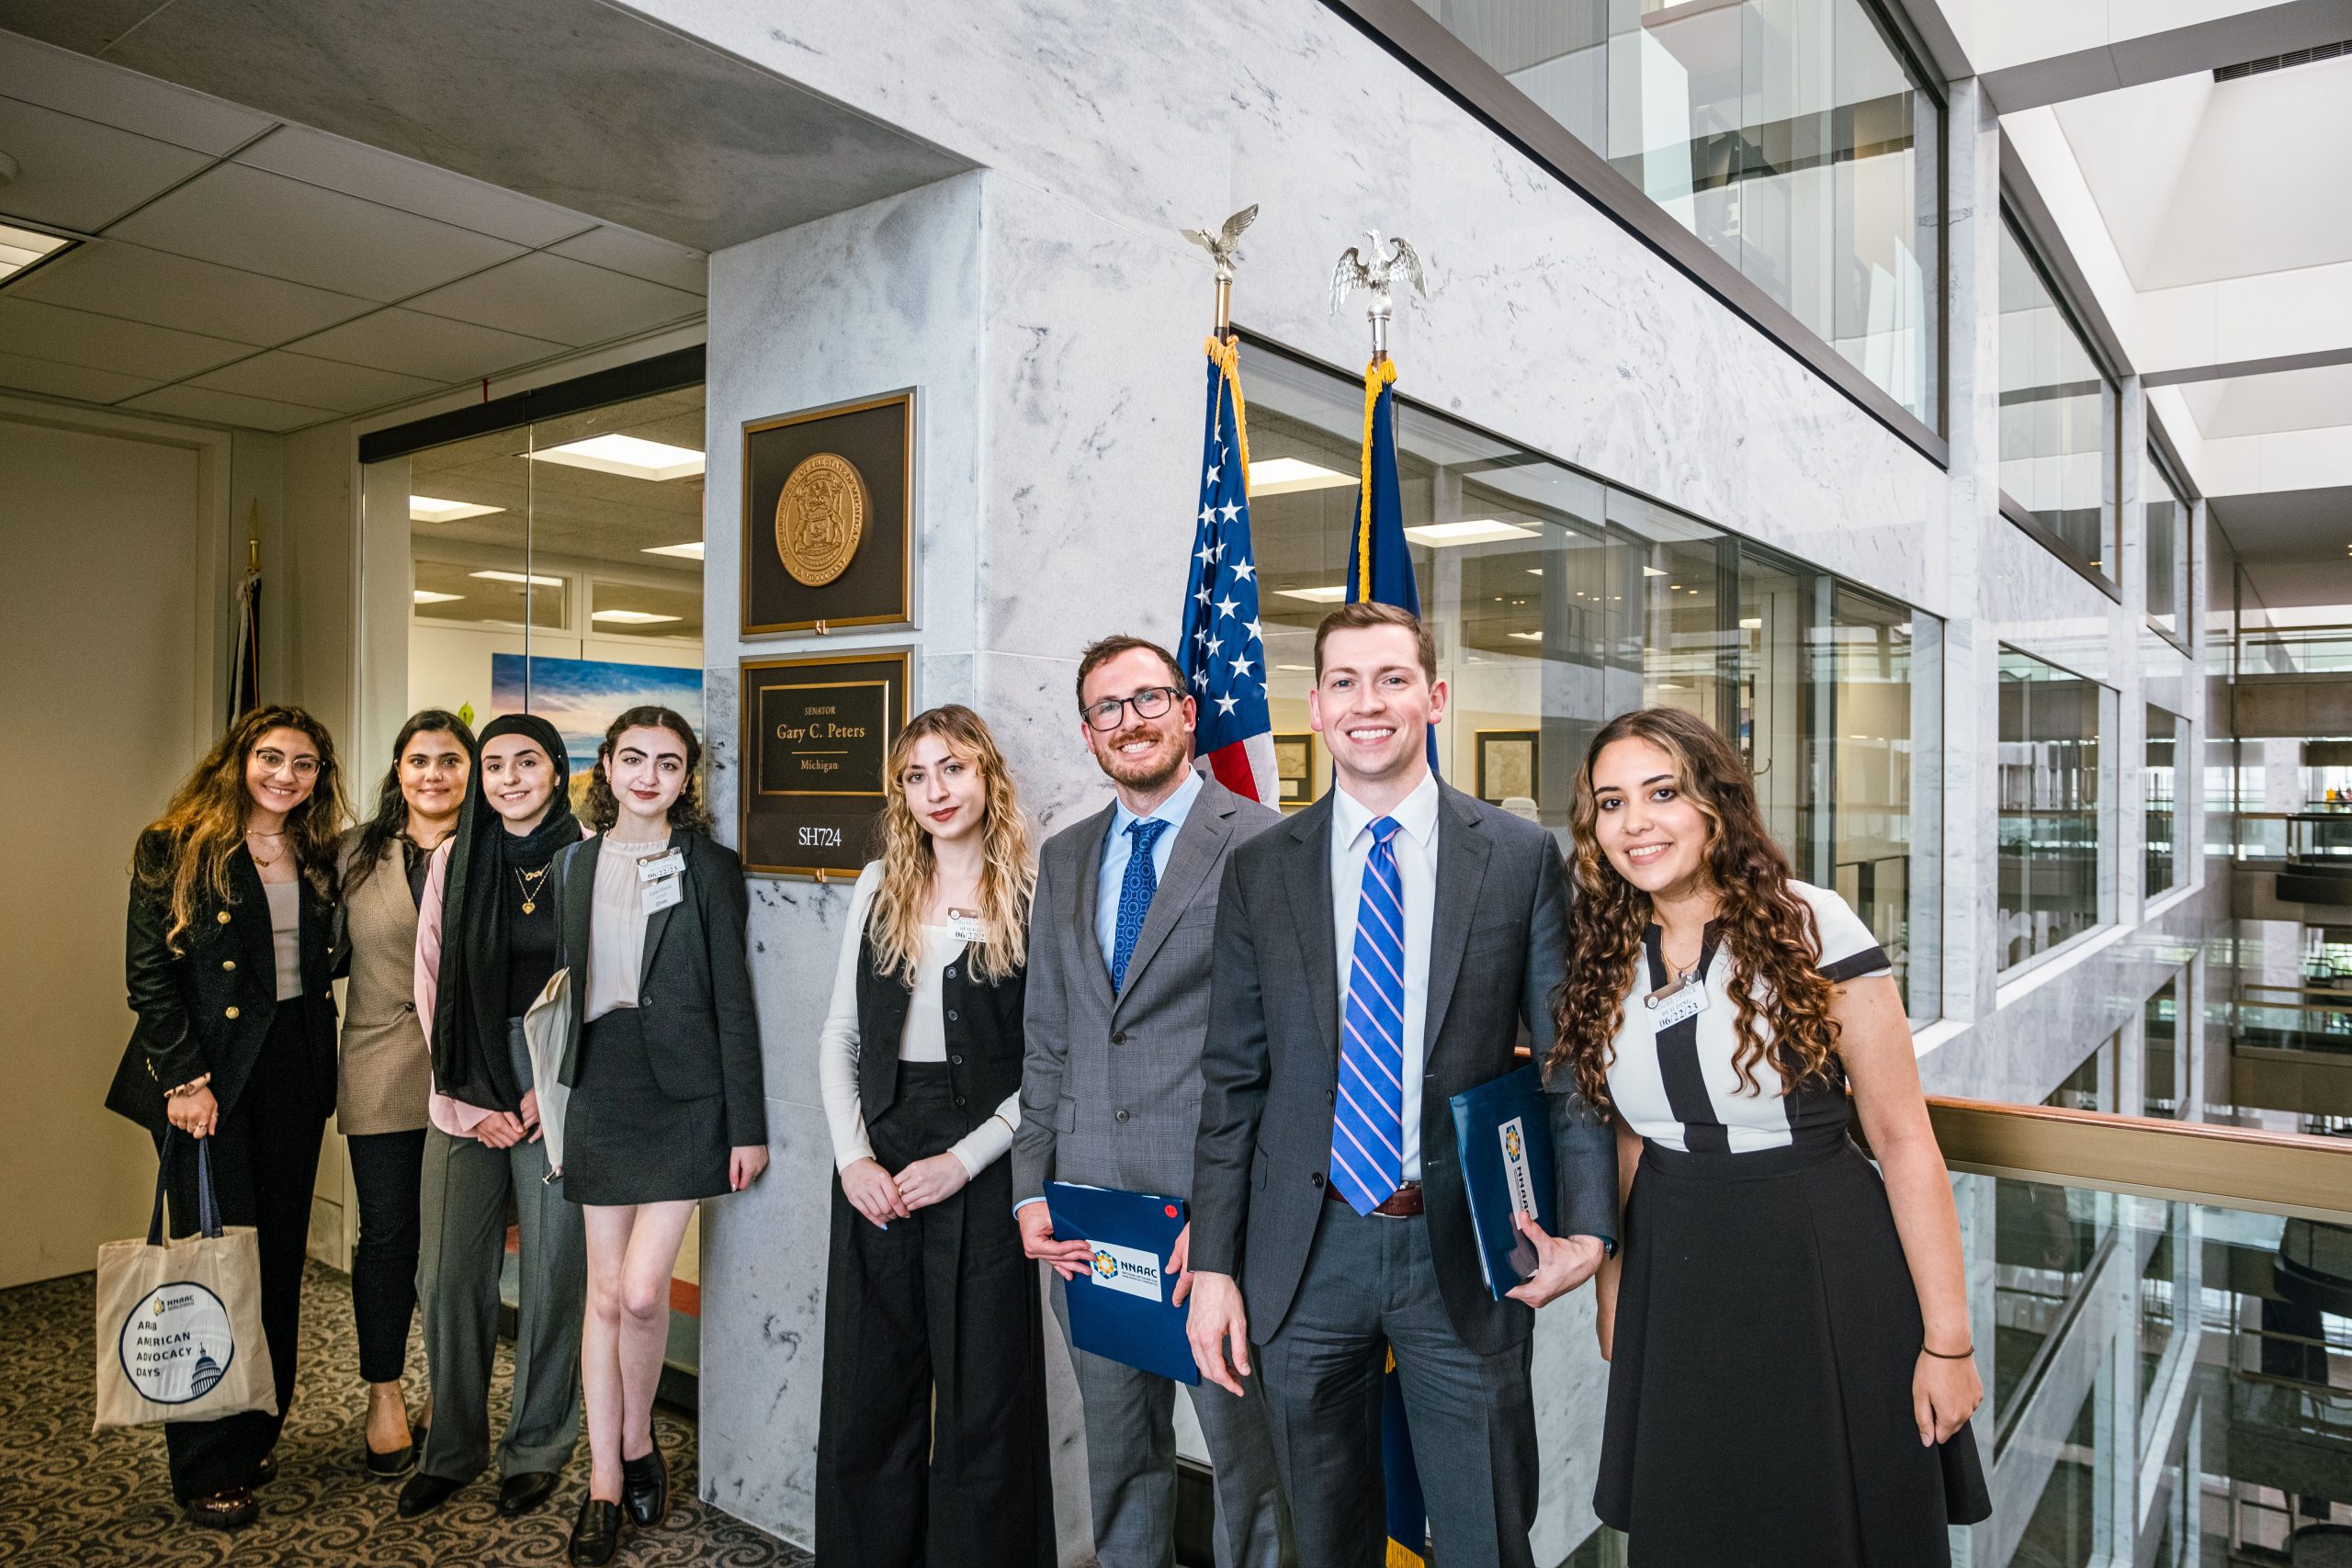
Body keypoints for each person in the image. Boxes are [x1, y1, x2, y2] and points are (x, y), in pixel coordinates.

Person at [1186, 603, 1619, 1568]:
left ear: (1435, 695)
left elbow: (1566, 1061)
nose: (1367, 703)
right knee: (1321, 1533)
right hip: (1301, 1257)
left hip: (1463, 1249)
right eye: (1344, 682)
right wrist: (1214, 1263)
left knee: (1483, 1532)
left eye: (1390, 679)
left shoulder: (1515, 857)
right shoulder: (1262, 868)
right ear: (1315, 706)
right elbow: (1232, 1082)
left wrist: (1587, 1225)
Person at [1557, 706, 1990, 1564]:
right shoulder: (1602, 944)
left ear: (1716, 803)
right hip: (1676, 1270)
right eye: (1611, 803)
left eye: (1663, 792)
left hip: (1823, 1257)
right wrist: (1615, 1296)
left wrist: (1950, 1342)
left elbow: (1904, 1140)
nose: (1635, 822)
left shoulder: (1813, 924)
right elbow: (1630, 1142)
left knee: (1839, 1525)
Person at [1012, 636, 1290, 1568]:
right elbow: (1048, 1034)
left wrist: (1232, 1219)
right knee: (1121, 1457)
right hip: (1088, 1217)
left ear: (1186, 711)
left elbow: (1294, 1056)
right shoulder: (1064, 856)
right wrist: (1028, 1191)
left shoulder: (1265, 844)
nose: (1128, 721)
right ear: (1087, 732)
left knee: (1250, 1469)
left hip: (1212, 1227)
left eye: (1147, 699)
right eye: (1106, 708)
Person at [812, 705, 1054, 1568]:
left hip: (983, 1162)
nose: (935, 791)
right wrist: (852, 1159)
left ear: (988, 774)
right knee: (870, 1394)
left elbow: (1051, 1061)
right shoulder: (878, 883)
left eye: (951, 769)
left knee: (987, 1404)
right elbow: (840, 1034)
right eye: (915, 776)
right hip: (879, 1156)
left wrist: (967, 1157)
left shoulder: (1035, 889)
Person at [105, 705, 347, 1530]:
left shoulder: (318, 852)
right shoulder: (174, 845)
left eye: (305, 764)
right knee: (214, 1266)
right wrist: (183, 1079)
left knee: (277, 1262)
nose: (286, 774)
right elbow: (149, 976)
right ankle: (208, 1461)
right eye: (272, 757)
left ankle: (255, 1425)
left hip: (295, 1074)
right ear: (238, 759)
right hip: (208, 1081)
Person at [559, 708, 770, 1565]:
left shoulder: (711, 867)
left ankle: (639, 1433)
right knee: (603, 1295)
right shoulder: (573, 863)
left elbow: (734, 999)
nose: (650, 775)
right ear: (607, 767)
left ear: (687, 778)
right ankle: (607, 1478)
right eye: (635, 759)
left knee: (646, 1292)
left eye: (669, 763)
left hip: (687, 1098)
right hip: (601, 1088)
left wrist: (746, 1124)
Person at [403, 713, 589, 1521]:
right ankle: (452, 1447)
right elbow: (430, 978)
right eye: (495, 765)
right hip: (464, 1077)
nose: (509, 778)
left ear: (557, 770)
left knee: (553, 1274)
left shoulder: (590, 858)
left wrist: (557, 1090)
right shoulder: (454, 856)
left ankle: (537, 1446)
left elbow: (604, 985)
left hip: (558, 1080)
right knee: (446, 1271)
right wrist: (466, 1098)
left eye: (527, 762)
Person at [335, 709, 472, 1476]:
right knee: (388, 1237)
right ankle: (383, 1391)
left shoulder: (492, 847)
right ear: (398, 770)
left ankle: (446, 1392)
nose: (433, 773)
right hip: (380, 1068)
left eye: (450, 759)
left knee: (454, 1247)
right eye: (418, 759)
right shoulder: (352, 852)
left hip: (469, 1077)